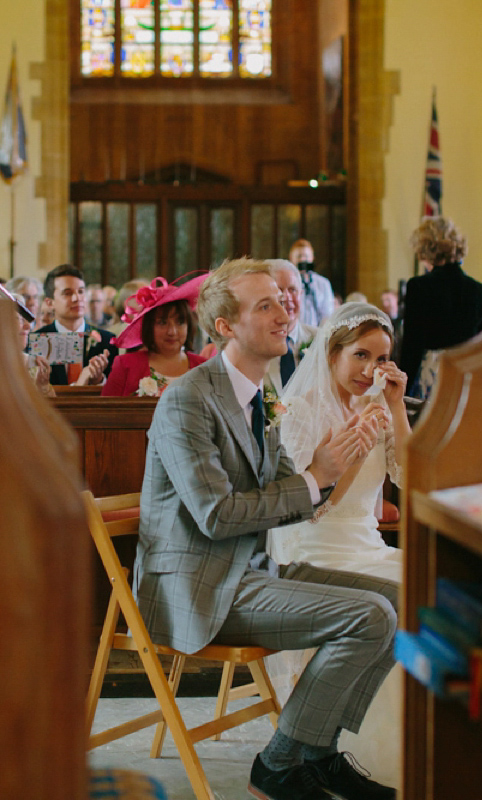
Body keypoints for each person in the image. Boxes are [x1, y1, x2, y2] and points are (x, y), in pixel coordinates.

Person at [136, 257, 399, 800]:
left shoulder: (259, 398)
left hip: (251, 570)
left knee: (406, 600)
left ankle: (316, 754)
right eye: (265, 305)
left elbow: (297, 502)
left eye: (281, 301)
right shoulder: (189, 398)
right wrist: (315, 477)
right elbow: (217, 515)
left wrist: (335, 469)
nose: (284, 313)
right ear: (226, 327)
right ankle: (281, 763)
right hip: (198, 584)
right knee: (370, 615)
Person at [266, 302, 412, 789]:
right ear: (332, 354)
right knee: (401, 597)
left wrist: (393, 407)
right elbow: (310, 508)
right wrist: (353, 447)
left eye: (381, 358)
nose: (370, 369)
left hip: (364, 545)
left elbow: (412, 477)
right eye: (360, 356)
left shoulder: (377, 407)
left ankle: (394, 749)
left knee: (432, 584)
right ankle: (333, 748)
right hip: (312, 550)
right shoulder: (302, 413)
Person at [397, 217, 482, 398]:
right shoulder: (479, 290)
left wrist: (402, 389)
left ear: (425, 249)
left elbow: (413, 342)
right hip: (467, 374)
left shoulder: (419, 286)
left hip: (432, 373)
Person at [102, 275, 209, 396]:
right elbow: (106, 411)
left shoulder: (204, 367)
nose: (172, 332)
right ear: (149, 327)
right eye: (162, 323)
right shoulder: (125, 365)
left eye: (180, 322)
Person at [33, 264, 119, 385]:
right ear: (50, 302)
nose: (76, 298)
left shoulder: (107, 341)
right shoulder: (39, 341)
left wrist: (99, 380)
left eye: (81, 291)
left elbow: (116, 392)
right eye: (67, 293)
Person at [266, 260, 318, 395]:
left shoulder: (320, 340)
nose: (286, 297)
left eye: (292, 290)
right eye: (279, 290)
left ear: (301, 294)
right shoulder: (254, 343)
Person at [290, 238, 336, 327]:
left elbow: (328, 313)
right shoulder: (288, 282)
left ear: (312, 258)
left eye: (306, 256)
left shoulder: (323, 283)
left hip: (318, 332)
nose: (303, 259)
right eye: (299, 256)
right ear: (292, 258)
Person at [16, 310, 54, 398]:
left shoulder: (34, 365)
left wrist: (43, 387)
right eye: (19, 320)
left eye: (25, 320)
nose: (28, 326)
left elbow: (55, 408)